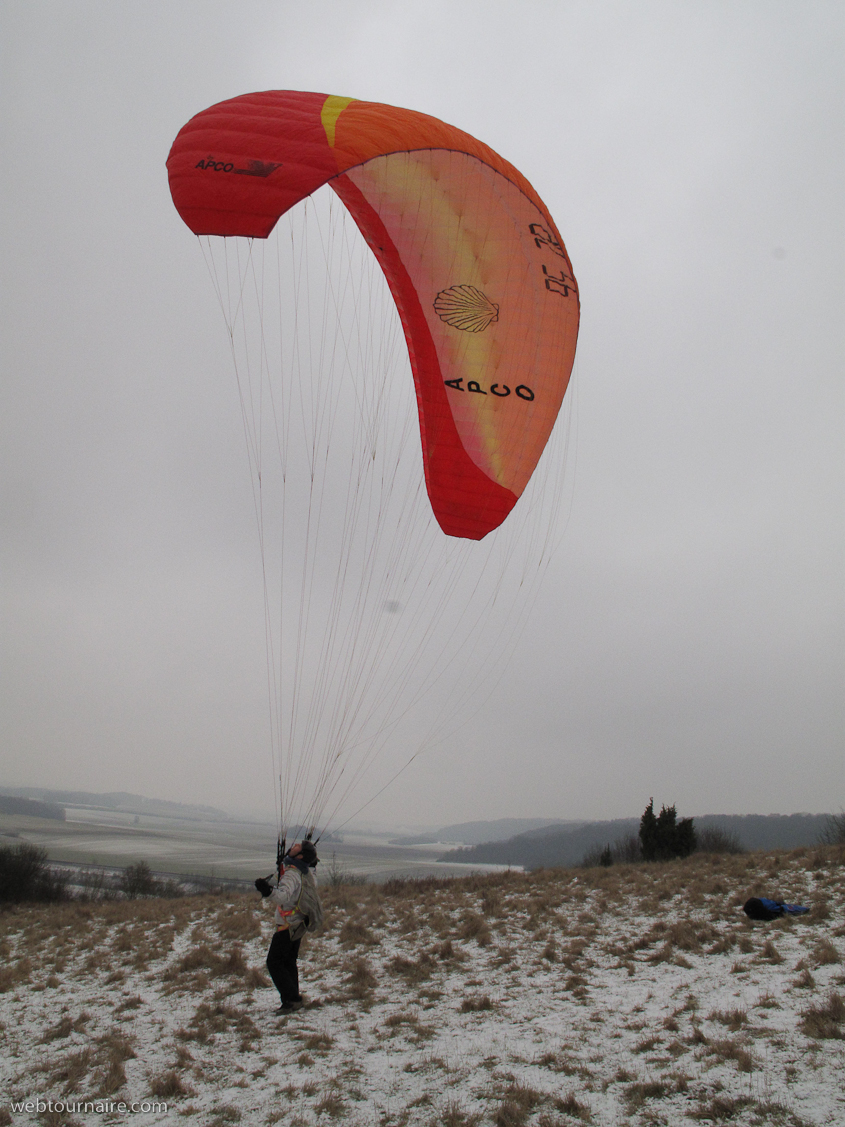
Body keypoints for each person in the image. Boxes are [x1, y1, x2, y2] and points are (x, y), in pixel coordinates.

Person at [255, 840, 322, 1014]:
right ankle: (293, 999)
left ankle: (291, 998)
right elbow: (312, 874)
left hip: (288, 926)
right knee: (288, 961)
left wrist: (267, 891)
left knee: (274, 962)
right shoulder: (306, 872)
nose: (292, 846)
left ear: (299, 856)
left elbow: (283, 896)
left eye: (297, 847)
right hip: (299, 925)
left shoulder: (293, 874)